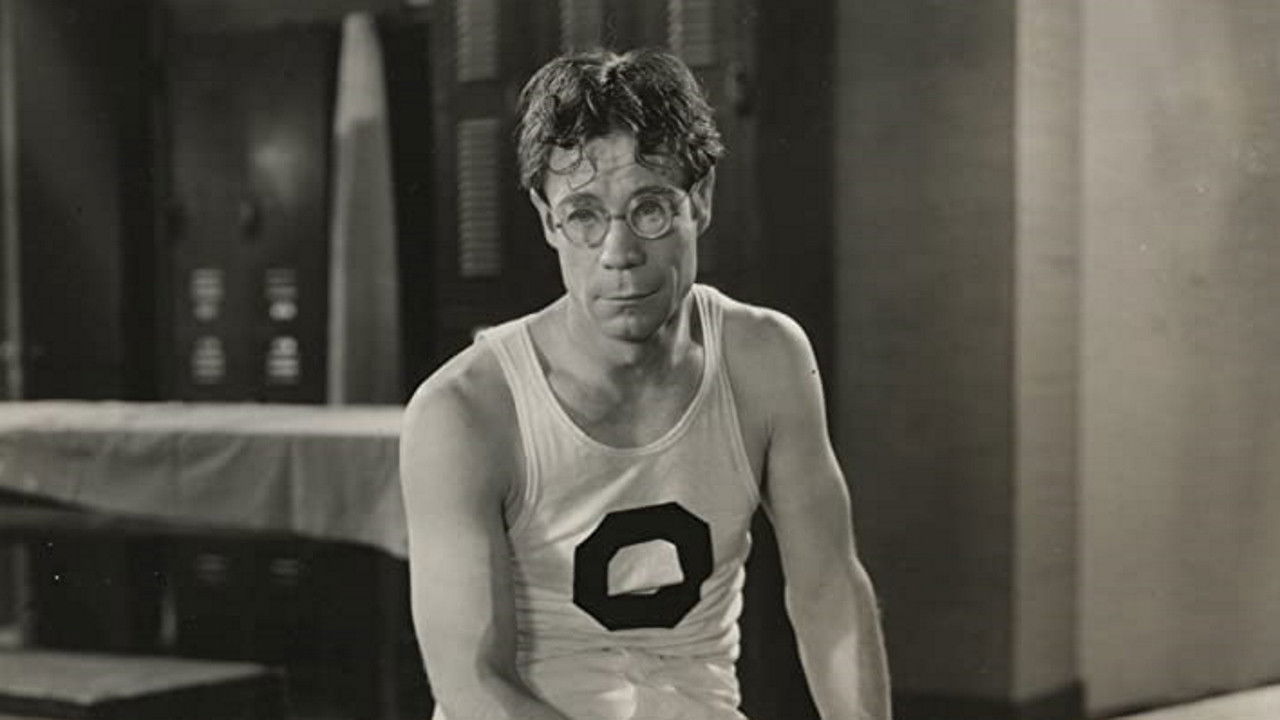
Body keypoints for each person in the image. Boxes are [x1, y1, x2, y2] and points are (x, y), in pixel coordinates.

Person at [399, 48, 890, 720]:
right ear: (548, 220)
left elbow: (828, 593)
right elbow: (472, 684)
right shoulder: (465, 409)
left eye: (650, 209)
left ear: (701, 200)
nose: (619, 253)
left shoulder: (765, 359)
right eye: (584, 215)